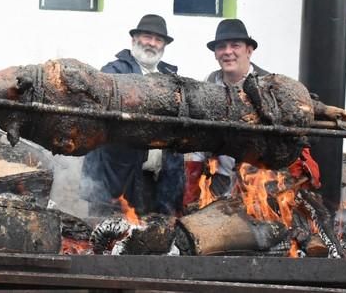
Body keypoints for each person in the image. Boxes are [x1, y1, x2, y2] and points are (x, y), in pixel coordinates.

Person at [184, 19, 321, 206]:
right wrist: (192, 183)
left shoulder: (269, 85)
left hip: (258, 180)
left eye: (235, 46)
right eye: (221, 47)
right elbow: (199, 136)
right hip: (219, 178)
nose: (228, 52)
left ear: (249, 50)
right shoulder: (208, 82)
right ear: (216, 54)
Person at [80, 14, 184, 216]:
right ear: (134, 39)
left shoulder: (171, 78)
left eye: (158, 39)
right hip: (117, 180)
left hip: (155, 183)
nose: (152, 43)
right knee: (110, 239)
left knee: (151, 240)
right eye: (147, 36)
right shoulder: (113, 73)